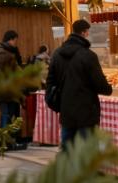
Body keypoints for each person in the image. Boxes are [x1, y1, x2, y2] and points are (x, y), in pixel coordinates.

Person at [47, 19, 112, 147]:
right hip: (86, 113)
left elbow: (50, 81)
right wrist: (108, 88)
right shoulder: (88, 55)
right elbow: (101, 85)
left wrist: (56, 103)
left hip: (66, 111)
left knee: (68, 152)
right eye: (88, 32)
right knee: (86, 152)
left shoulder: (57, 54)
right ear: (84, 32)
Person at [0, 30, 24, 129]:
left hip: (8, 90)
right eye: (15, 40)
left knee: (9, 115)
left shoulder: (6, 51)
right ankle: (4, 141)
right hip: (4, 90)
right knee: (6, 115)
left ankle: (7, 140)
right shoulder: (2, 53)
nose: (16, 43)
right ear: (11, 39)